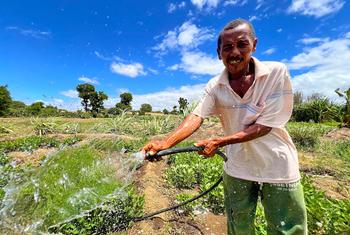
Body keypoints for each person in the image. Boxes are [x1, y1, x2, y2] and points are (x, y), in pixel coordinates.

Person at [142, 19, 307, 234]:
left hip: (277, 166)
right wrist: (165, 143)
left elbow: (266, 126)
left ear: (254, 45)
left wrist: (220, 141)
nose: (235, 52)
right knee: (238, 227)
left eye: (242, 44)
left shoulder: (275, 72)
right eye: (227, 47)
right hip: (237, 166)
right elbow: (196, 115)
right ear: (219, 53)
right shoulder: (215, 85)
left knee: (286, 229)